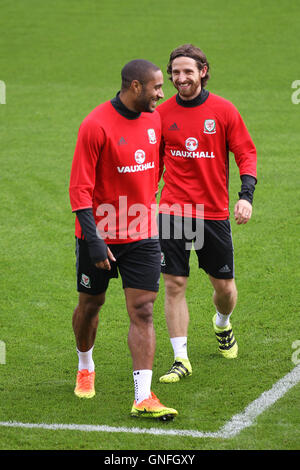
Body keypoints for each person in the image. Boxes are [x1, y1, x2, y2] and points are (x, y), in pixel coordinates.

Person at [69, 59, 177, 420]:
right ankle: (86, 364)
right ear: (135, 87)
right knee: (91, 305)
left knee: (143, 310)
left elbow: (158, 162)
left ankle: (143, 396)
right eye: (157, 87)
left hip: (143, 233)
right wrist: (95, 241)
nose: (162, 94)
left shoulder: (154, 119)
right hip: (99, 233)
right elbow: (80, 189)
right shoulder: (95, 124)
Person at [157, 44, 257, 383]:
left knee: (224, 287)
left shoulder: (224, 110)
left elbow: (246, 153)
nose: (181, 78)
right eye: (175, 72)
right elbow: (153, 163)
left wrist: (246, 196)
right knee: (174, 283)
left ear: (203, 71)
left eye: (188, 71)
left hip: (212, 213)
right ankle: (180, 357)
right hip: (172, 209)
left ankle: (222, 323)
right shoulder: (161, 113)